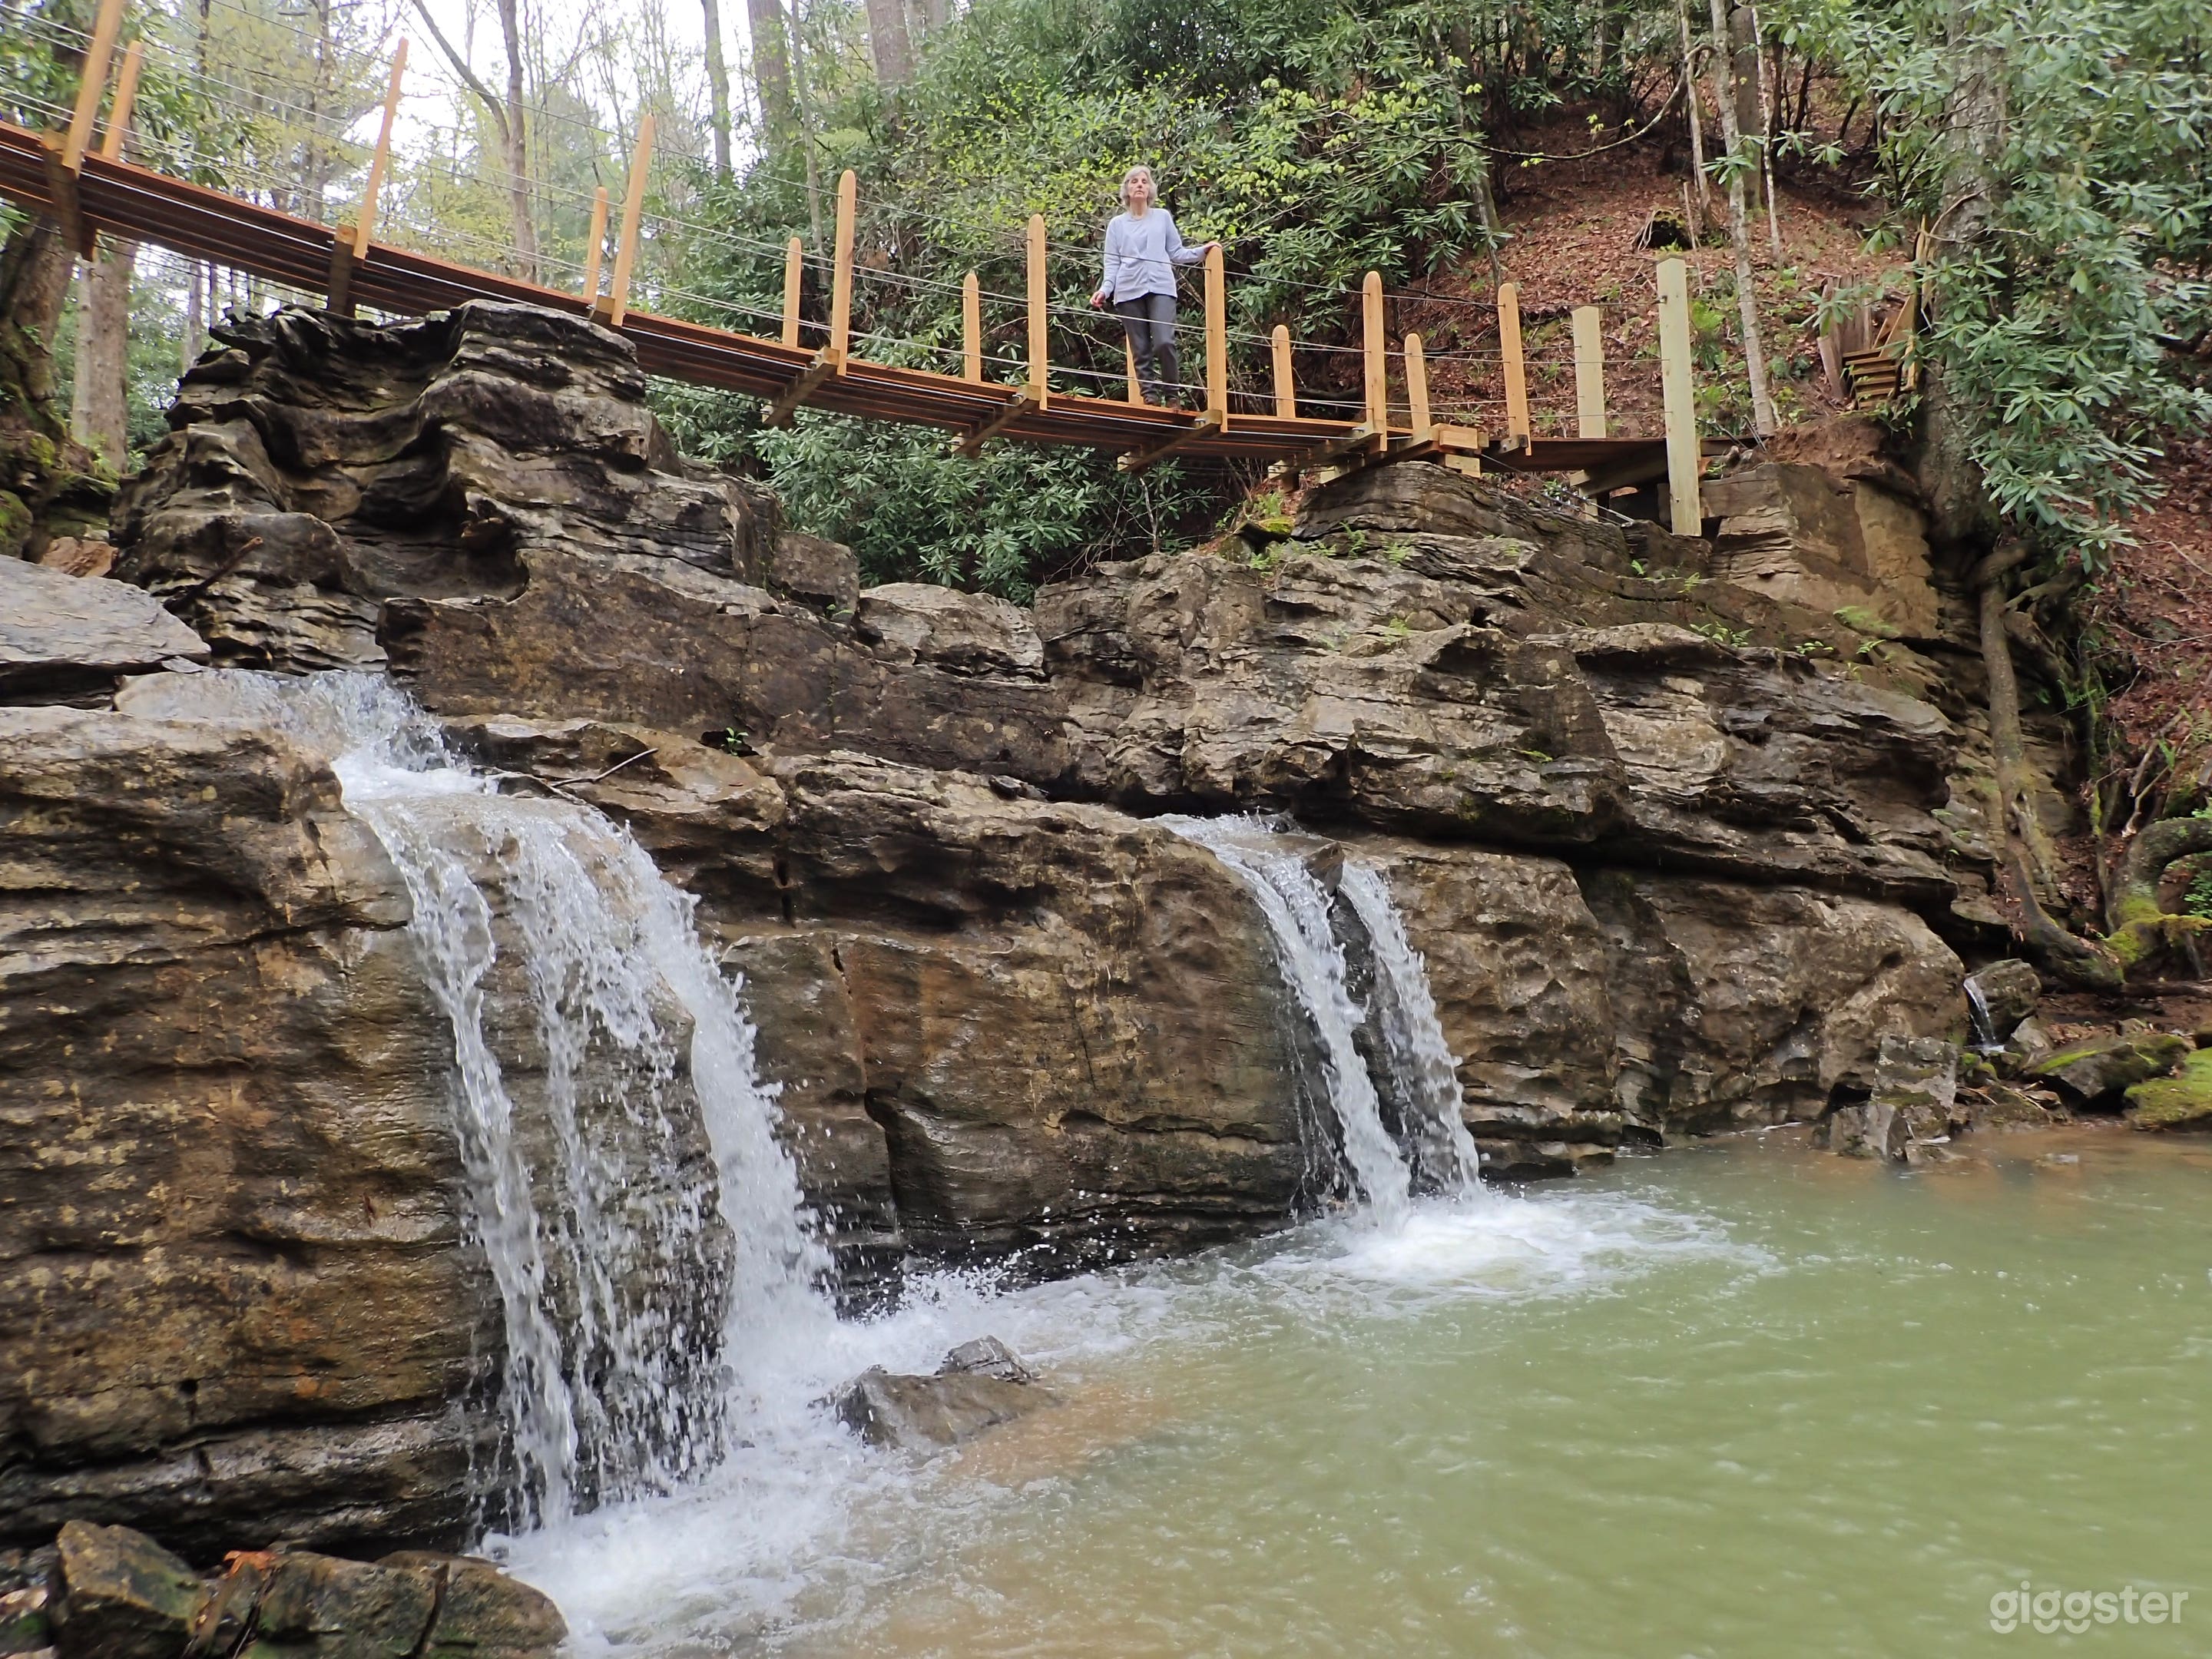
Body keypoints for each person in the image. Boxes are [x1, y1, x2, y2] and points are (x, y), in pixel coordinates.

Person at [1089, 164, 1217, 408]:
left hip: (1161, 287)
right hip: (1128, 290)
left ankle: (1172, 395)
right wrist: (1105, 290)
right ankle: (1149, 396)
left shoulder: (1162, 217)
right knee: (1140, 348)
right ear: (1126, 189)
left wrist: (1203, 251)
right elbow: (1112, 263)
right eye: (1134, 181)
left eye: (1144, 181)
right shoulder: (1117, 224)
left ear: (1150, 189)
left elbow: (1176, 252)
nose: (1139, 184)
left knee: (1164, 341)